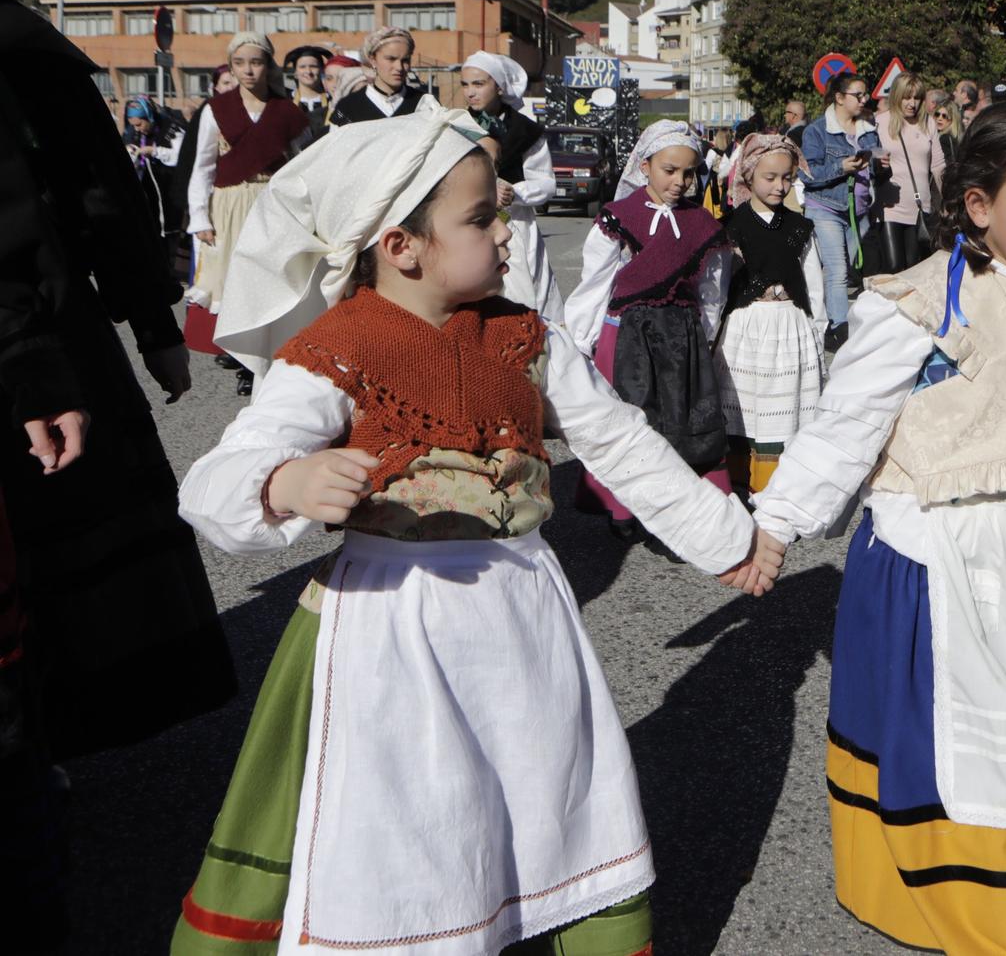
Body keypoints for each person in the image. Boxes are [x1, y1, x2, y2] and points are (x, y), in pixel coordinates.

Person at [171, 104, 780, 955]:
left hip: (522, 611)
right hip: (390, 623)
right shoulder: (339, 345)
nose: (506, 232)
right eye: (482, 216)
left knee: (544, 784)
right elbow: (215, 479)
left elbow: (619, 441)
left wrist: (726, 537)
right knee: (417, 810)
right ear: (401, 245)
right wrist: (288, 480)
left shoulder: (526, 337)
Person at [752, 101, 1006, 953]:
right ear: (980, 204)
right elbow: (846, 422)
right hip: (934, 553)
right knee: (961, 749)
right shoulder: (919, 306)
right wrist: (776, 523)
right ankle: (977, 922)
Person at [0, 0, 229, 949]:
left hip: (34, 339)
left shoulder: (17, 40)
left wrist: (150, 320)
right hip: (31, 346)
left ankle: (38, 753)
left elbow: (88, 186)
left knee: (51, 564)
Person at [565, 121, 735, 544]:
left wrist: (705, 335)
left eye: (688, 173)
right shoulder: (619, 218)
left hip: (679, 336)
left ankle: (681, 514)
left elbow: (711, 290)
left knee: (680, 422)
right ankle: (622, 505)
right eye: (669, 170)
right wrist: (584, 337)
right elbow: (596, 280)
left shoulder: (701, 224)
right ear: (645, 166)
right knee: (629, 422)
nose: (679, 182)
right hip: (623, 335)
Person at [186, 31, 312, 394]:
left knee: (267, 278)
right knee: (229, 277)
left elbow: (302, 162)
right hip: (229, 202)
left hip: (270, 203)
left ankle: (263, 354)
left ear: (267, 65)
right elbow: (203, 167)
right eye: (239, 63)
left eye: (255, 62)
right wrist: (200, 217)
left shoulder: (286, 111)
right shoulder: (217, 109)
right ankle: (237, 351)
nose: (247, 70)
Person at [714, 133, 825, 496]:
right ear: (748, 176)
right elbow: (718, 285)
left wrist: (817, 328)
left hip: (789, 328)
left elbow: (813, 281)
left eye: (787, 178)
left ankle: (775, 492)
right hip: (746, 329)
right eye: (770, 178)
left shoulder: (799, 228)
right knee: (743, 409)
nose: (780, 186)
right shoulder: (732, 226)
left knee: (781, 408)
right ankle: (739, 485)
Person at [458, 51, 563, 322]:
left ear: (500, 86)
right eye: (465, 84)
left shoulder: (526, 130)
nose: (470, 92)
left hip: (515, 223)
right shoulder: (455, 125)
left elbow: (546, 183)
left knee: (524, 289)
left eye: (478, 84)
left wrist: (514, 192)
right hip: (465, 222)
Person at [801, 73, 882, 352]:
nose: (864, 99)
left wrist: (881, 163)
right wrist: (841, 168)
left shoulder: (868, 127)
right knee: (836, 271)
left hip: (859, 210)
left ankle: (852, 323)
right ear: (839, 98)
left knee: (853, 270)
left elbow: (876, 162)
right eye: (858, 95)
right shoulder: (816, 131)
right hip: (826, 208)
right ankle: (839, 329)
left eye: (865, 94)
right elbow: (808, 175)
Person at [877, 74, 947, 273]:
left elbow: (939, 165)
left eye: (917, 98)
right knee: (893, 267)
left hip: (919, 207)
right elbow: (870, 154)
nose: (912, 103)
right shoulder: (881, 122)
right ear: (897, 96)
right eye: (907, 97)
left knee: (913, 270)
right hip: (889, 206)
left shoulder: (928, 123)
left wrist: (947, 201)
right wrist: (876, 161)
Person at [123, 96, 189, 252]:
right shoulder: (135, 133)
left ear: (150, 117)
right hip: (149, 194)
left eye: (139, 124)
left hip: (170, 193)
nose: (137, 129)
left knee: (170, 235)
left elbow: (180, 156)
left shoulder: (172, 129)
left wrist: (155, 151)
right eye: (134, 125)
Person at [327, 25, 429, 125]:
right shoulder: (347, 108)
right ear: (373, 60)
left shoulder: (425, 104)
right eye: (391, 59)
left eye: (405, 60)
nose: (399, 67)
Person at [284, 44, 333, 138]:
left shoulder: (333, 102)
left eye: (313, 66)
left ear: (322, 70)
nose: (308, 71)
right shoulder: (285, 101)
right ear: (295, 72)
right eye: (302, 67)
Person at [927, 90, 964, 166]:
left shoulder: (944, 139)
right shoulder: (957, 137)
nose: (939, 118)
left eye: (944, 116)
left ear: (952, 119)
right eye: (937, 114)